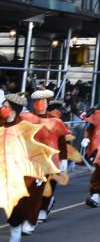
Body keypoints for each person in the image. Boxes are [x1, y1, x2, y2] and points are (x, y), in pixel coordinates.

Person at [22, 89, 69, 224]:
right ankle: (30, 212)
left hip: (50, 159)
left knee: (48, 185)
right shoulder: (27, 119)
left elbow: (61, 140)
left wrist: (64, 158)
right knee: (30, 188)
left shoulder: (55, 120)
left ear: (48, 103)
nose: (40, 104)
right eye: (37, 101)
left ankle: (42, 208)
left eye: (43, 101)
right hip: (31, 158)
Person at [2, 93, 45, 241]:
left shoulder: (26, 128)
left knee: (16, 205)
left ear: (14, 110)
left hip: (18, 174)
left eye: (5, 107)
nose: (2, 109)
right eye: (2, 106)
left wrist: (39, 172)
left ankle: (15, 232)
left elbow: (36, 152)